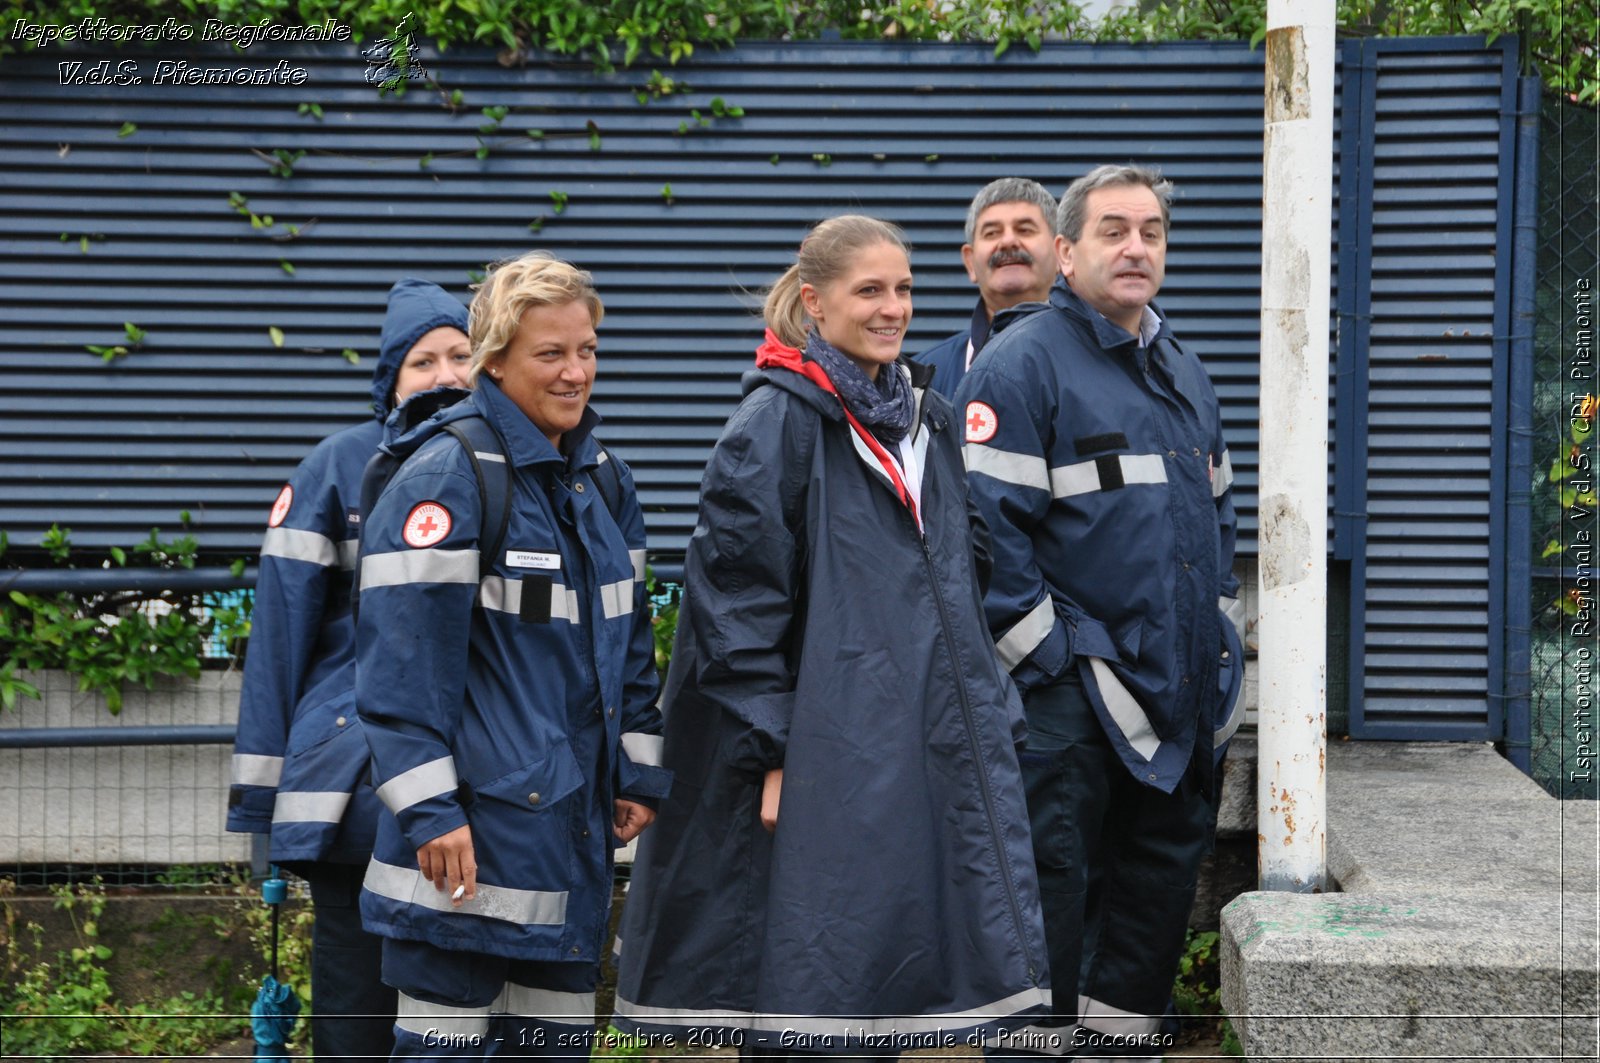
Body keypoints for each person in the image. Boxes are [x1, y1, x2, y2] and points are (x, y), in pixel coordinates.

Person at [613, 214, 1050, 1056]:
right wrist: (774, 755)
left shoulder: (929, 420)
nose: (894, 309)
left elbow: (961, 572)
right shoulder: (771, 428)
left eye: (906, 288)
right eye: (871, 291)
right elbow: (735, 616)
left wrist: (990, 707)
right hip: (816, 762)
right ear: (814, 301)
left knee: (883, 989)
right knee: (813, 1000)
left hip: (912, 750)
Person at [953, 165, 1246, 1058]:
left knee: (1153, 898)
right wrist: (1058, 669)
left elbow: (1218, 519)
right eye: (1114, 230)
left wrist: (1221, 644)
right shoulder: (1022, 364)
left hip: (1177, 693)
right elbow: (979, 542)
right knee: (1055, 904)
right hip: (1068, 708)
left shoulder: (1181, 366)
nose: (1137, 247)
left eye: (1152, 231)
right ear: (1068, 251)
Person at [352, 251, 669, 1060]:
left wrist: (637, 774)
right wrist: (430, 811)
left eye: (588, 348)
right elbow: (399, 670)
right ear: (491, 359)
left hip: (564, 847)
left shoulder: (603, 481)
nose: (576, 372)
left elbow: (630, 648)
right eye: (550, 353)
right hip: (461, 853)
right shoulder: (447, 473)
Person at [228, 278, 472, 1063]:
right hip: (352, 794)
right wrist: (261, 806)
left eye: (460, 354)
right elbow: (278, 642)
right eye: (422, 360)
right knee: (355, 1006)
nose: (444, 374)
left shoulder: (511, 461)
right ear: (390, 380)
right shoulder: (335, 468)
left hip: (475, 783)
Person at [914, 178, 1058, 400]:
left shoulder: (1100, 361)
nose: (1008, 241)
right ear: (970, 262)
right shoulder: (923, 380)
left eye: (1025, 230)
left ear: (1061, 253)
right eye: (991, 233)